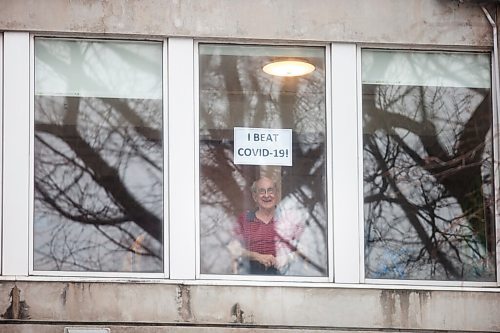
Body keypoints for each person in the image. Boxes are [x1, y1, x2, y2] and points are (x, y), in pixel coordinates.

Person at [232, 176, 303, 275]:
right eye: (262, 191)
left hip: (284, 276)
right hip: (250, 276)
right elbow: (234, 248)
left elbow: (303, 250)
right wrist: (257, 256)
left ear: (277, 194)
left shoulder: (289, 218)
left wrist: (286, 258)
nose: (266, 195)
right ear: (255, 197)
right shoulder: (244, 219)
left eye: (270, 191)